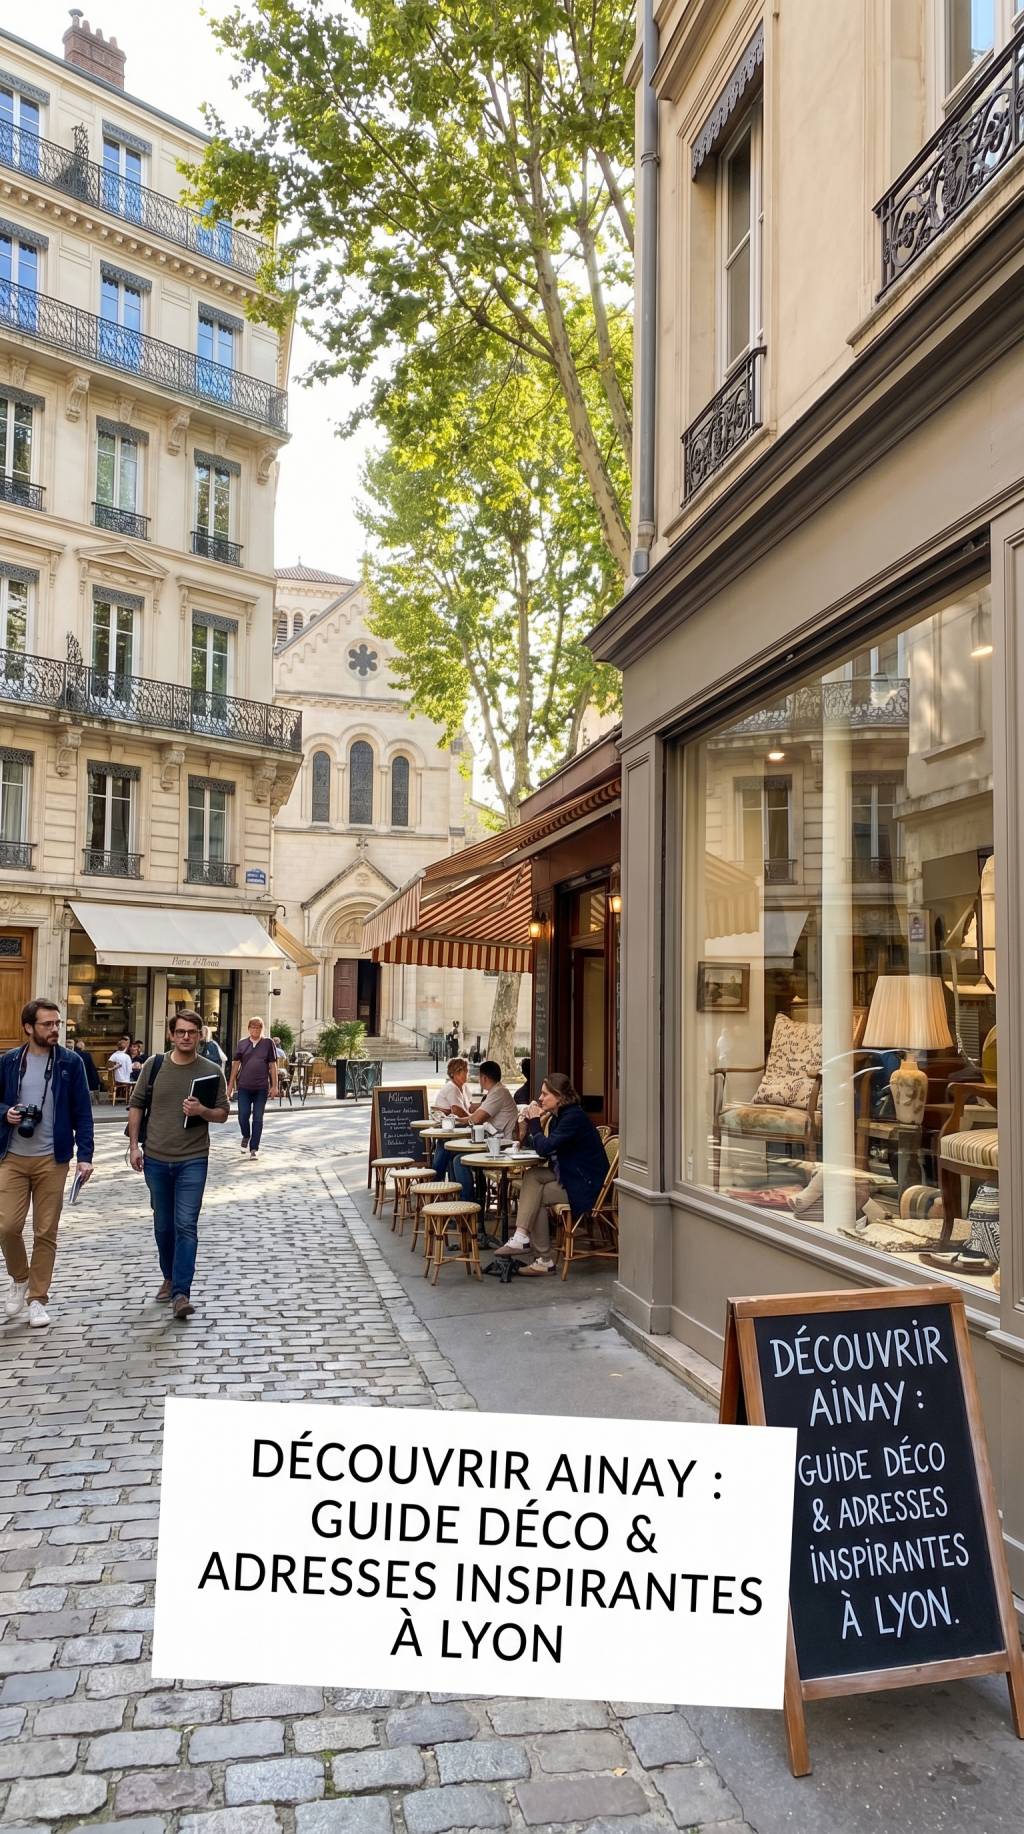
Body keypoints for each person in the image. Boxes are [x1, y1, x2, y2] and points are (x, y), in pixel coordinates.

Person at [128, 1010, 228, 1321]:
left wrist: (202, 1111)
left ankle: (181, 1292)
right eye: (181, 1032)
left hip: (193, 1159)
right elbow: (136, 1104)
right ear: (172, 1035)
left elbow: (223, 1113)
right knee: (163, 1225)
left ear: (201, 1036)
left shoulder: (212, 1071)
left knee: (186, 1225)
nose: (186, 1037)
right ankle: (169, 1275)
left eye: (192, 1032)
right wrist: (133, 1146)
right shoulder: (154, 1066)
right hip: (156, 1157)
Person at [0, 1000, 94, 1329]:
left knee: (45, 1232)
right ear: (29, 1027)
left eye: (57, 1024)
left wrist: (85, 1156)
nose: (55, 1029)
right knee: (6, 1226)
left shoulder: (70, 1062)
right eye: (47, 1024)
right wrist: (5, 1113)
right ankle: (20, 1277)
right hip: (11, 1156)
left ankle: (38, 1298)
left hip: (53, 1159)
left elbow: (83, 1110)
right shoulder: (10, 1061)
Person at [497, 1072, 608, 1273]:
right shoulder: (560, 1116)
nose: (540, 1098)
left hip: (585, 1184)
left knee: (535, 1196)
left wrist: (535, 1122)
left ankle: (542, 1258)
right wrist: (526, 1127)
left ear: (560, 1097)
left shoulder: (572, 1117)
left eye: (545, 1094)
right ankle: (524, 1240)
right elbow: (540, 1145)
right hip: (568, 1173)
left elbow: (544, 1148)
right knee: (532, 1176)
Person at [447, 1060, 518, 1202]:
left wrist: (457, 1120)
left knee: (458, 1161)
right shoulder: (497, 1091)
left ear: (484, 1078)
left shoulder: (498, 1093)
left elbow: (477, 1119)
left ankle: (468, 1205)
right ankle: (461, 1201)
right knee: (452, 1156)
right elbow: (477, 1113)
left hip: (501, 1147)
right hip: (494, 1143)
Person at [226, 1016, 279, 1160]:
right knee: (242, 1115)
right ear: (248, 1028)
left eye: (258, 1027)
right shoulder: (242, 1044)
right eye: (253, 1027)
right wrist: (230, 1086)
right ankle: (246, 1135)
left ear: (262, 1029)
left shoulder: (268, 1043)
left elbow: (273, 1065)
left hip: (261, 1087)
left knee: (258, 1118)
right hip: (244, 1086)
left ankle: (254, 1148)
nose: (255, 1030)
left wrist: (275, 1085)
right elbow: (236, 1064)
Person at [430, 1057, 471, 1174]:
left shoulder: (463, 1087)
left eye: (465, 1070)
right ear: (453, 1074)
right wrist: (473, 1119)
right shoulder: (452, 1088)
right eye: (461, 1071)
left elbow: (469, 1106)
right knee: (448, 1145)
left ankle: (442, 1176)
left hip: (454, 1126)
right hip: (447, 1128)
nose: (465, 1073)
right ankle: (436, 1176)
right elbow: (457, 1110)